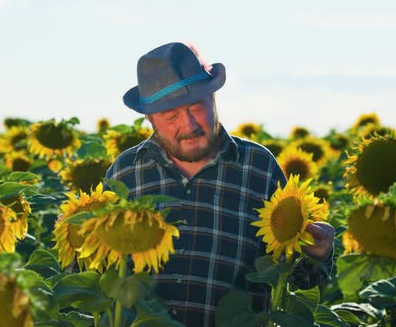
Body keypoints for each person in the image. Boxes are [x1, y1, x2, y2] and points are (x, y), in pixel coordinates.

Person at [105, 42, 335, 326]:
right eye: (171, 116)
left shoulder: (259, 168)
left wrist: (318, 255)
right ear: (150, 118)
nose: (188, 125)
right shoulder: (125, 173)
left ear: (213, 98)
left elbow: (293, 280)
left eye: (195, 107)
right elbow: (97, 272)